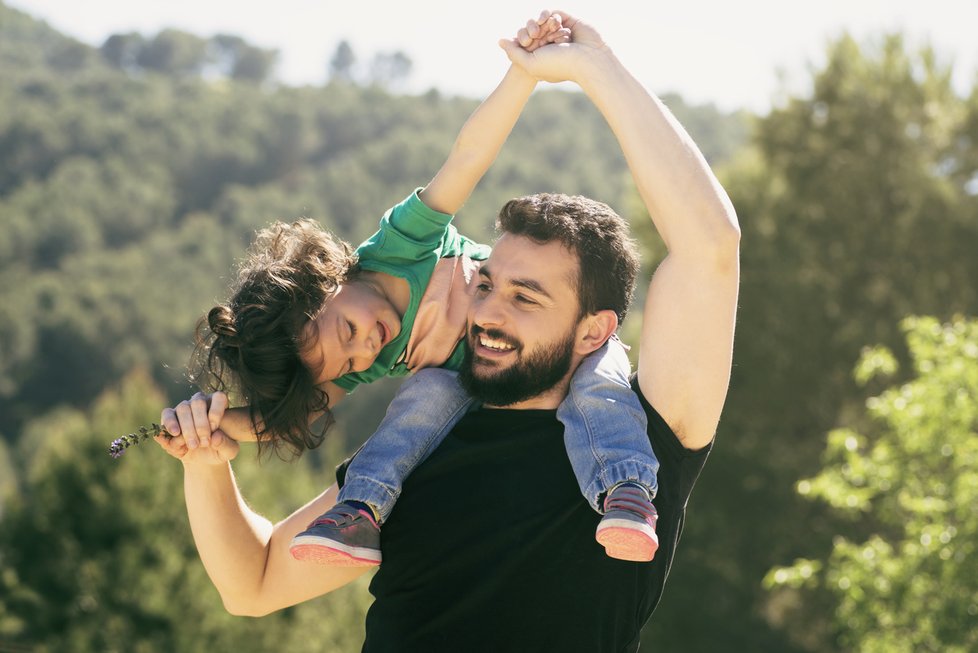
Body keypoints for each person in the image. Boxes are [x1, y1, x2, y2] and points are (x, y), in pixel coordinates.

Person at [157, 10, 740, 652]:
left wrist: (594, 67)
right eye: (486, 283)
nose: (487, 311)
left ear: (592, 331)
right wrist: (209, 463)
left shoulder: (644, 435)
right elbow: (254, 584)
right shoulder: (413, 448)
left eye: (527, 297)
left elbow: (709, 246)